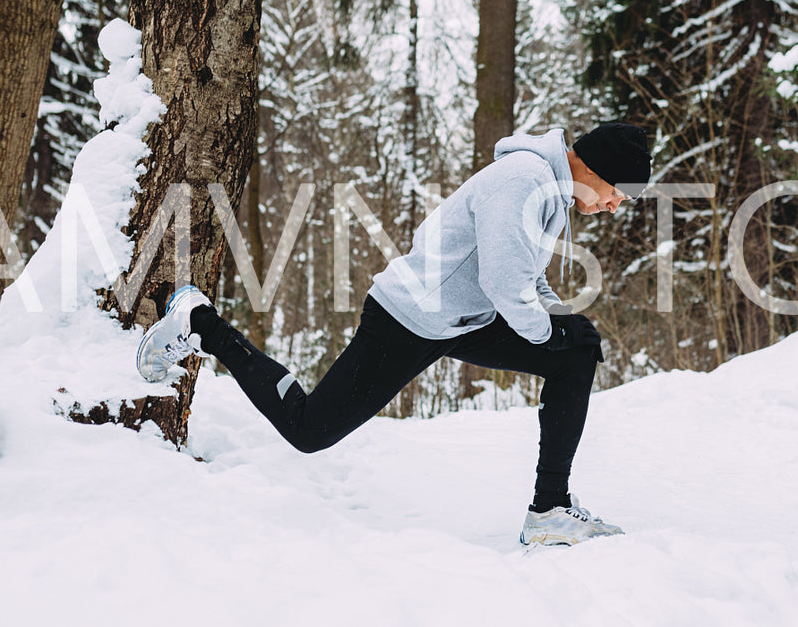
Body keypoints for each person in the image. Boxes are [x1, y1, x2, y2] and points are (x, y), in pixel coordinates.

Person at [135, 122, 652, 546]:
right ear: (596, 168)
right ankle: (198, 322)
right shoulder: (524, 179)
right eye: (617, 193)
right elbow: (502, 282)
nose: (614, 206)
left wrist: (560, 323)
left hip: (463, 319)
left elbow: (526, 277)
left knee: (576, 352)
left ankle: (550, 510)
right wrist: (548, 333)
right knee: (309, 431)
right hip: (410, 317)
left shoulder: (553, 193)